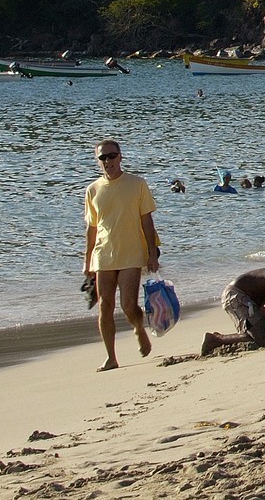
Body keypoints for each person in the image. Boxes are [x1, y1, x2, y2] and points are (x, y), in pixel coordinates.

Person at [83, 140, 160, 372]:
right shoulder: (93, 190)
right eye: (102, 158)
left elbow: (147, 221)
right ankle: (111, 357)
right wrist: (87, 261)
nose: (108, 161)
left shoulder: (137, 184)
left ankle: (138, 328)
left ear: (120, 157)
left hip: (131, 253)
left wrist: (152, 253)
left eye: (111, 156)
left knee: (128, 305)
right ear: (98, 161)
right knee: (104, 306)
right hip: (103, 254)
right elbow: (92, 229)